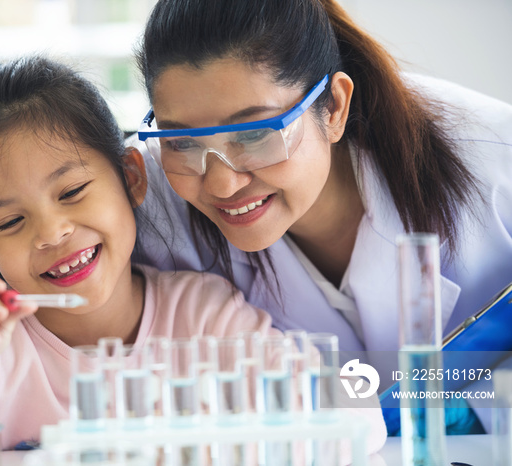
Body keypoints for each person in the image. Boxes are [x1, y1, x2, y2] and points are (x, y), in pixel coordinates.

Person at [0, 55, 385, 465]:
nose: (53, 232)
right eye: (10, 223)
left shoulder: (204, 316)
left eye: (72, 193)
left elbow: (355, 410)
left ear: (133, 179)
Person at [131, 0, 512, 435]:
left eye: (255, 134)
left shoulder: (496, 160)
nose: (221, 184)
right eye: (182, 141)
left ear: (333, 106)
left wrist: (483, 412)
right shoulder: (150, 189)